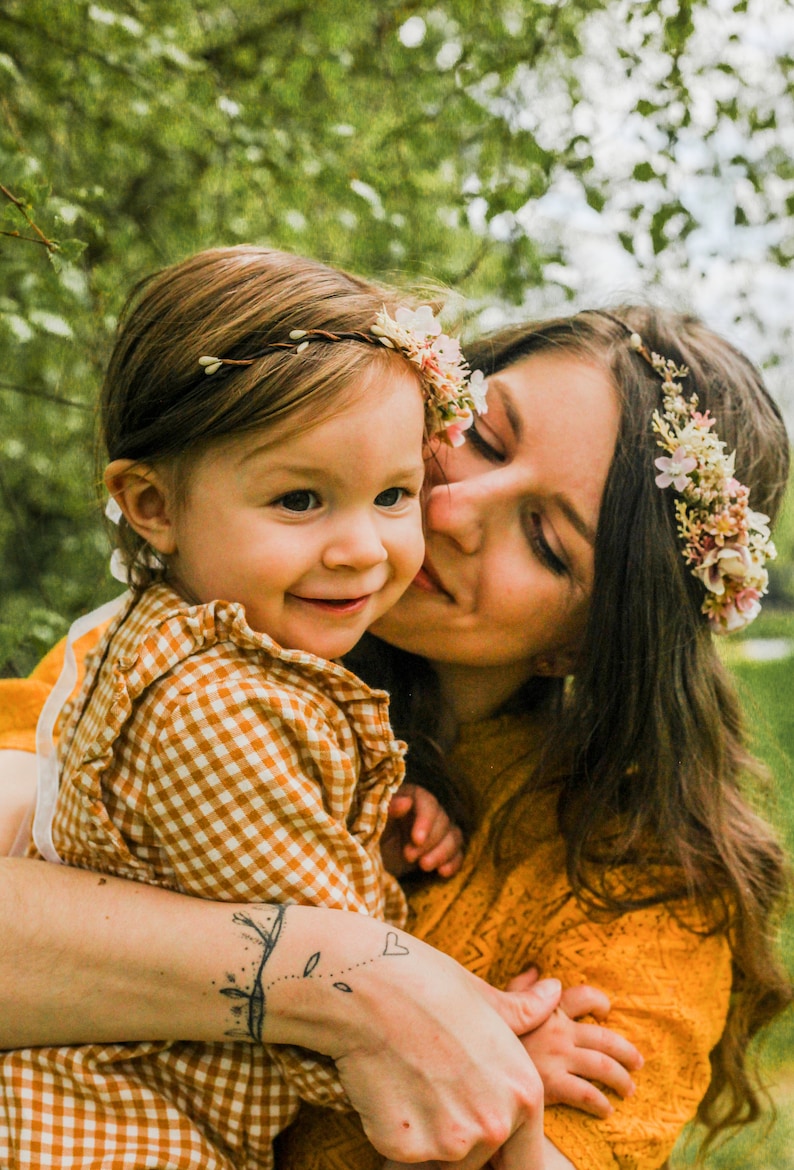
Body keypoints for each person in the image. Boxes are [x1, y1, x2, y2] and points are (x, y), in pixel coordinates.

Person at [0, 303, 791, 1170]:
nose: (451, 505)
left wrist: (500, 1104)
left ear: (584, 640)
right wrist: (361, 986)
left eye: (545, 540)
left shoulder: (647, 881)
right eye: (483, 437)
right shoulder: (177, 645)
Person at [0, 244, 538, 1170]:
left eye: (395, 494)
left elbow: (225, 872)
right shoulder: (215, 706)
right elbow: (349, 996)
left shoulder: (203, 654)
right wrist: (498, 1038)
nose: (363, 548)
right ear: (151, 505)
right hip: (113, 1128)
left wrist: (367, 831)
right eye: (300, 498)